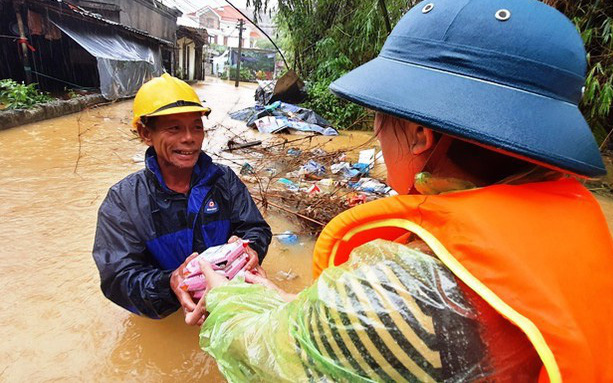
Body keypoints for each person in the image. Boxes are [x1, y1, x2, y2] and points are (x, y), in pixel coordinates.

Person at [192, 0, 613, 382]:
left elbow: (266, 357)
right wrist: (289, 303)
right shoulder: (576, 223)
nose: (375, 129)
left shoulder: (402, 285)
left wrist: (225, 297)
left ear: (419, 135)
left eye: (379, 115)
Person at [92, 73, 272, 322]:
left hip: (227, 301)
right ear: (146, 134)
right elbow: (118, 278)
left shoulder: (224, 180)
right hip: (169, 315)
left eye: (196, 127)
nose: (189, 138)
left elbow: (254, 227)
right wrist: (170, 284)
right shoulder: (123, 201)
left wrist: (250, 249)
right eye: (175, 128)